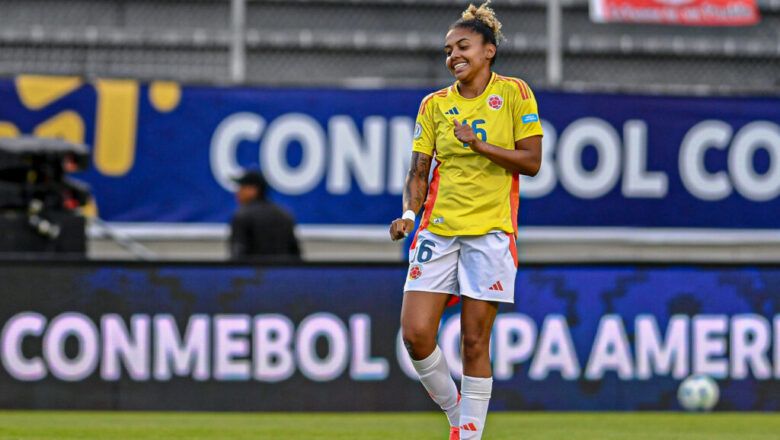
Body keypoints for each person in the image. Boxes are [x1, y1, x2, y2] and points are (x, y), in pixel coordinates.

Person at [388, 2, 543, 439]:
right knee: (416, 334)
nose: (453, 55)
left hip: (491, 234)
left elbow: (531, 162)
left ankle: (468, 436)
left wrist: (480, 145)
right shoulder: (434, 105)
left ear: (488, 50)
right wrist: (407, 215)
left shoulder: (514, 93)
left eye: (463, 46)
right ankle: (460, 418)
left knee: (474, 342)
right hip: (438, 229)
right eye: (447, 50)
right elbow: (419, 170)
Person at [229, 169, 300, 260]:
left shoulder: (242, 216)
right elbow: (296, 256)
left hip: (253, 273)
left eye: (242, 187)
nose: (238, 193)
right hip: (282, 273)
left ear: (253, 190)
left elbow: (237, 256)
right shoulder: (285, 215)